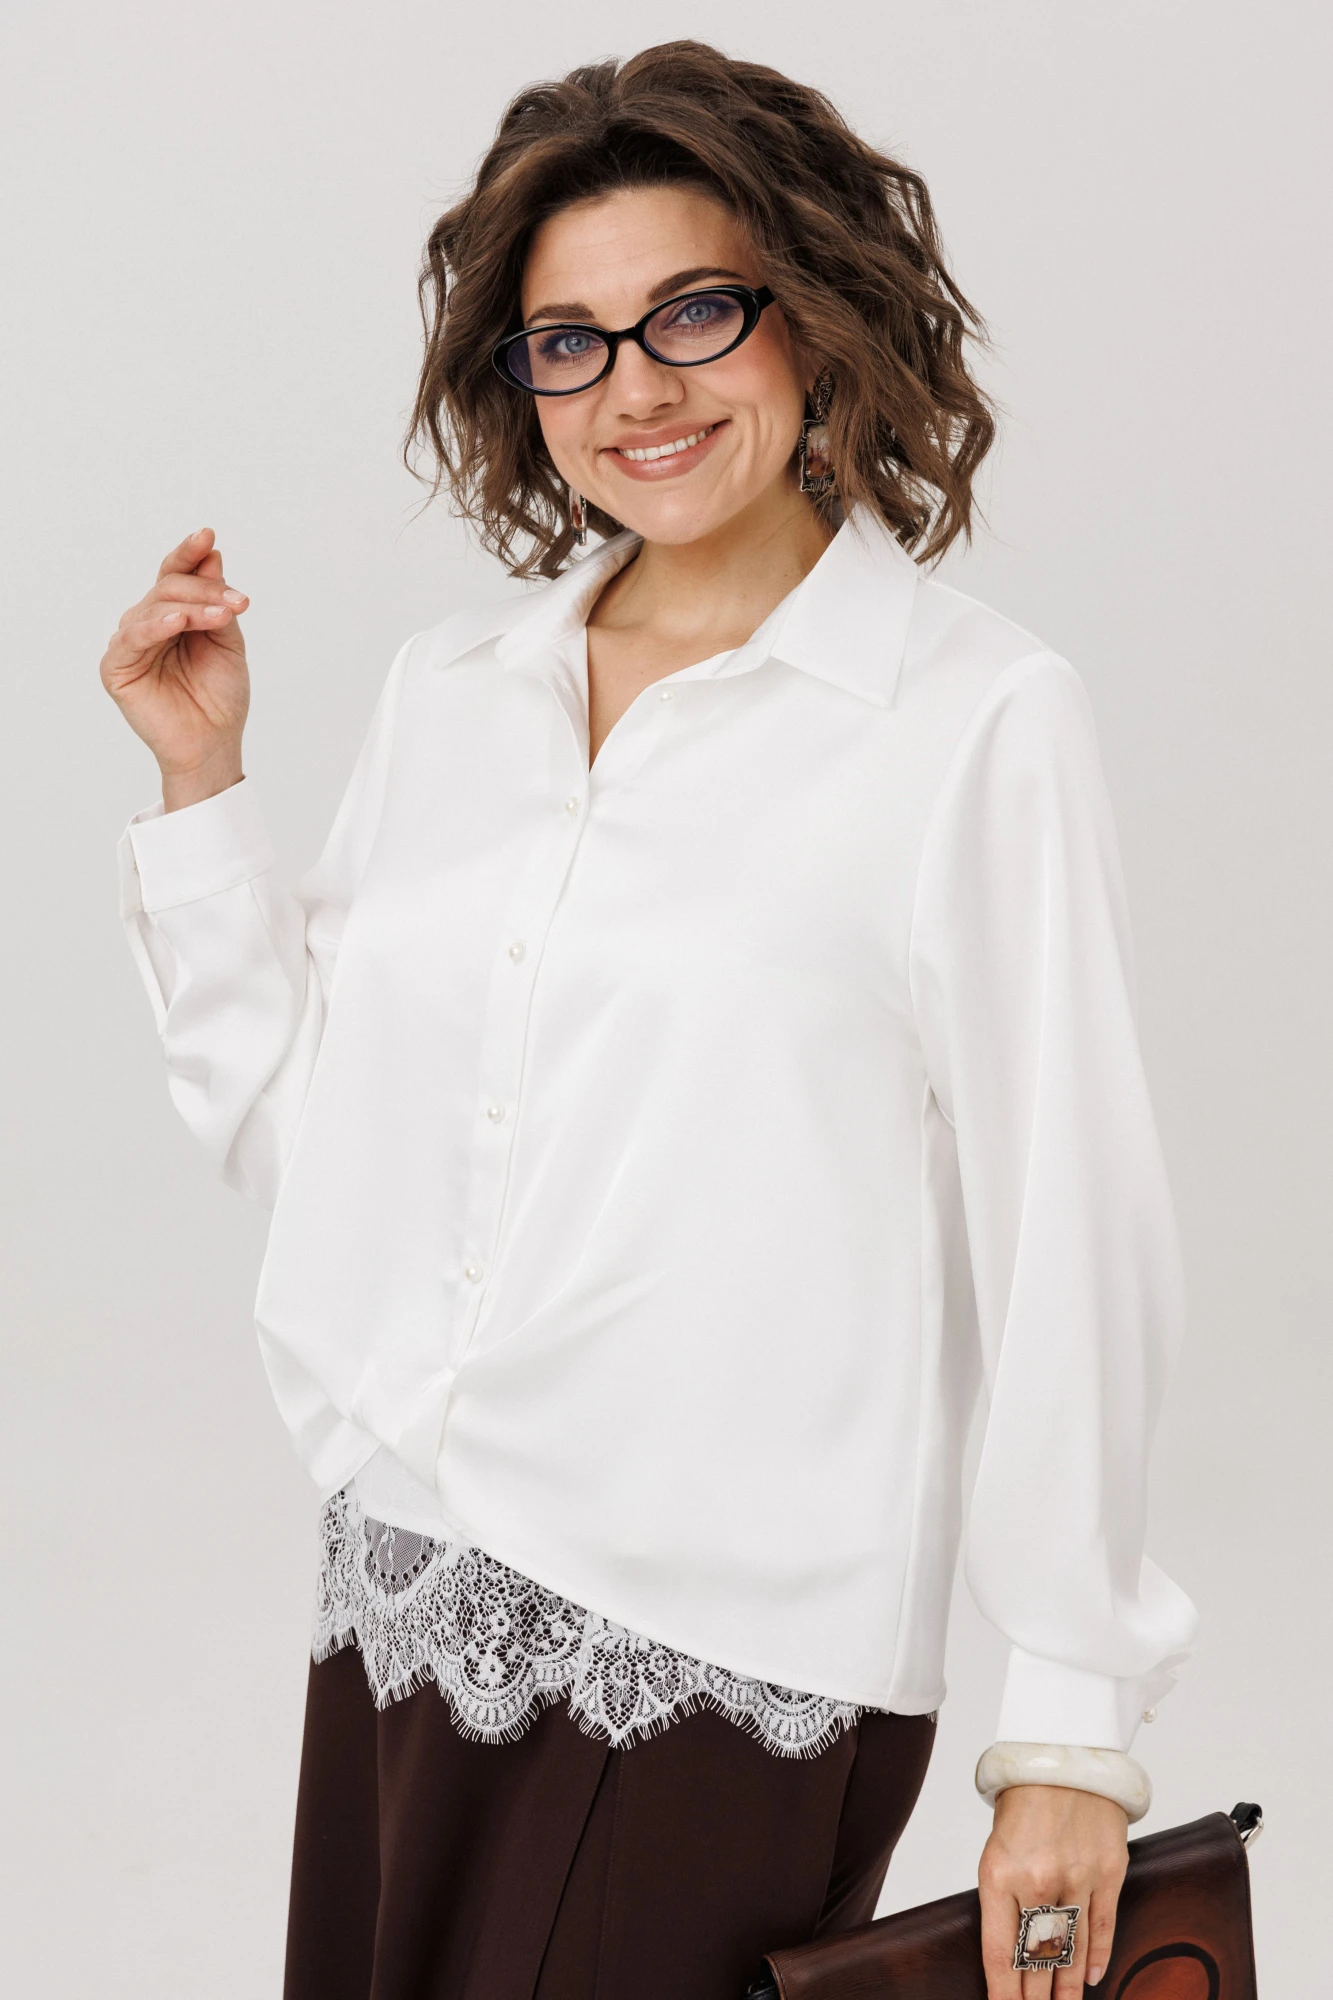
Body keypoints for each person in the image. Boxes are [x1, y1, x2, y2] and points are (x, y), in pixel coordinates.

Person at [101, 41, 1197, 2000]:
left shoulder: (972, 721)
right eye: (571, 343)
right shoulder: (457, 693)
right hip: (407, 1593)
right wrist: (203, 791)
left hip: (717, 1656)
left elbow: (1073, 1231)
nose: (638, 390)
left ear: (814, 312)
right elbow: (329, 1158)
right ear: (517, 385)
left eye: (695, 311)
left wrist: (1068, 1732)